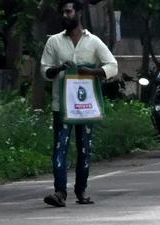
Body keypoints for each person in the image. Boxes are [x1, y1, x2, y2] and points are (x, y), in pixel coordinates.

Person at [40, 0, 118, 207]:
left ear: (79, 13)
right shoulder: (54, 41)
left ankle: (81, 190)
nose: (65, 16)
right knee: (60, 148)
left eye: (69, 11)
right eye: (63, 12)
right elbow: (44, 71)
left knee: (85, 149)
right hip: (62, 106)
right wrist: (59, 68)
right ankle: (60, 192)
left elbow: (112, 65)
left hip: (86, 107)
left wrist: (93, 72)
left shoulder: (93, 42)